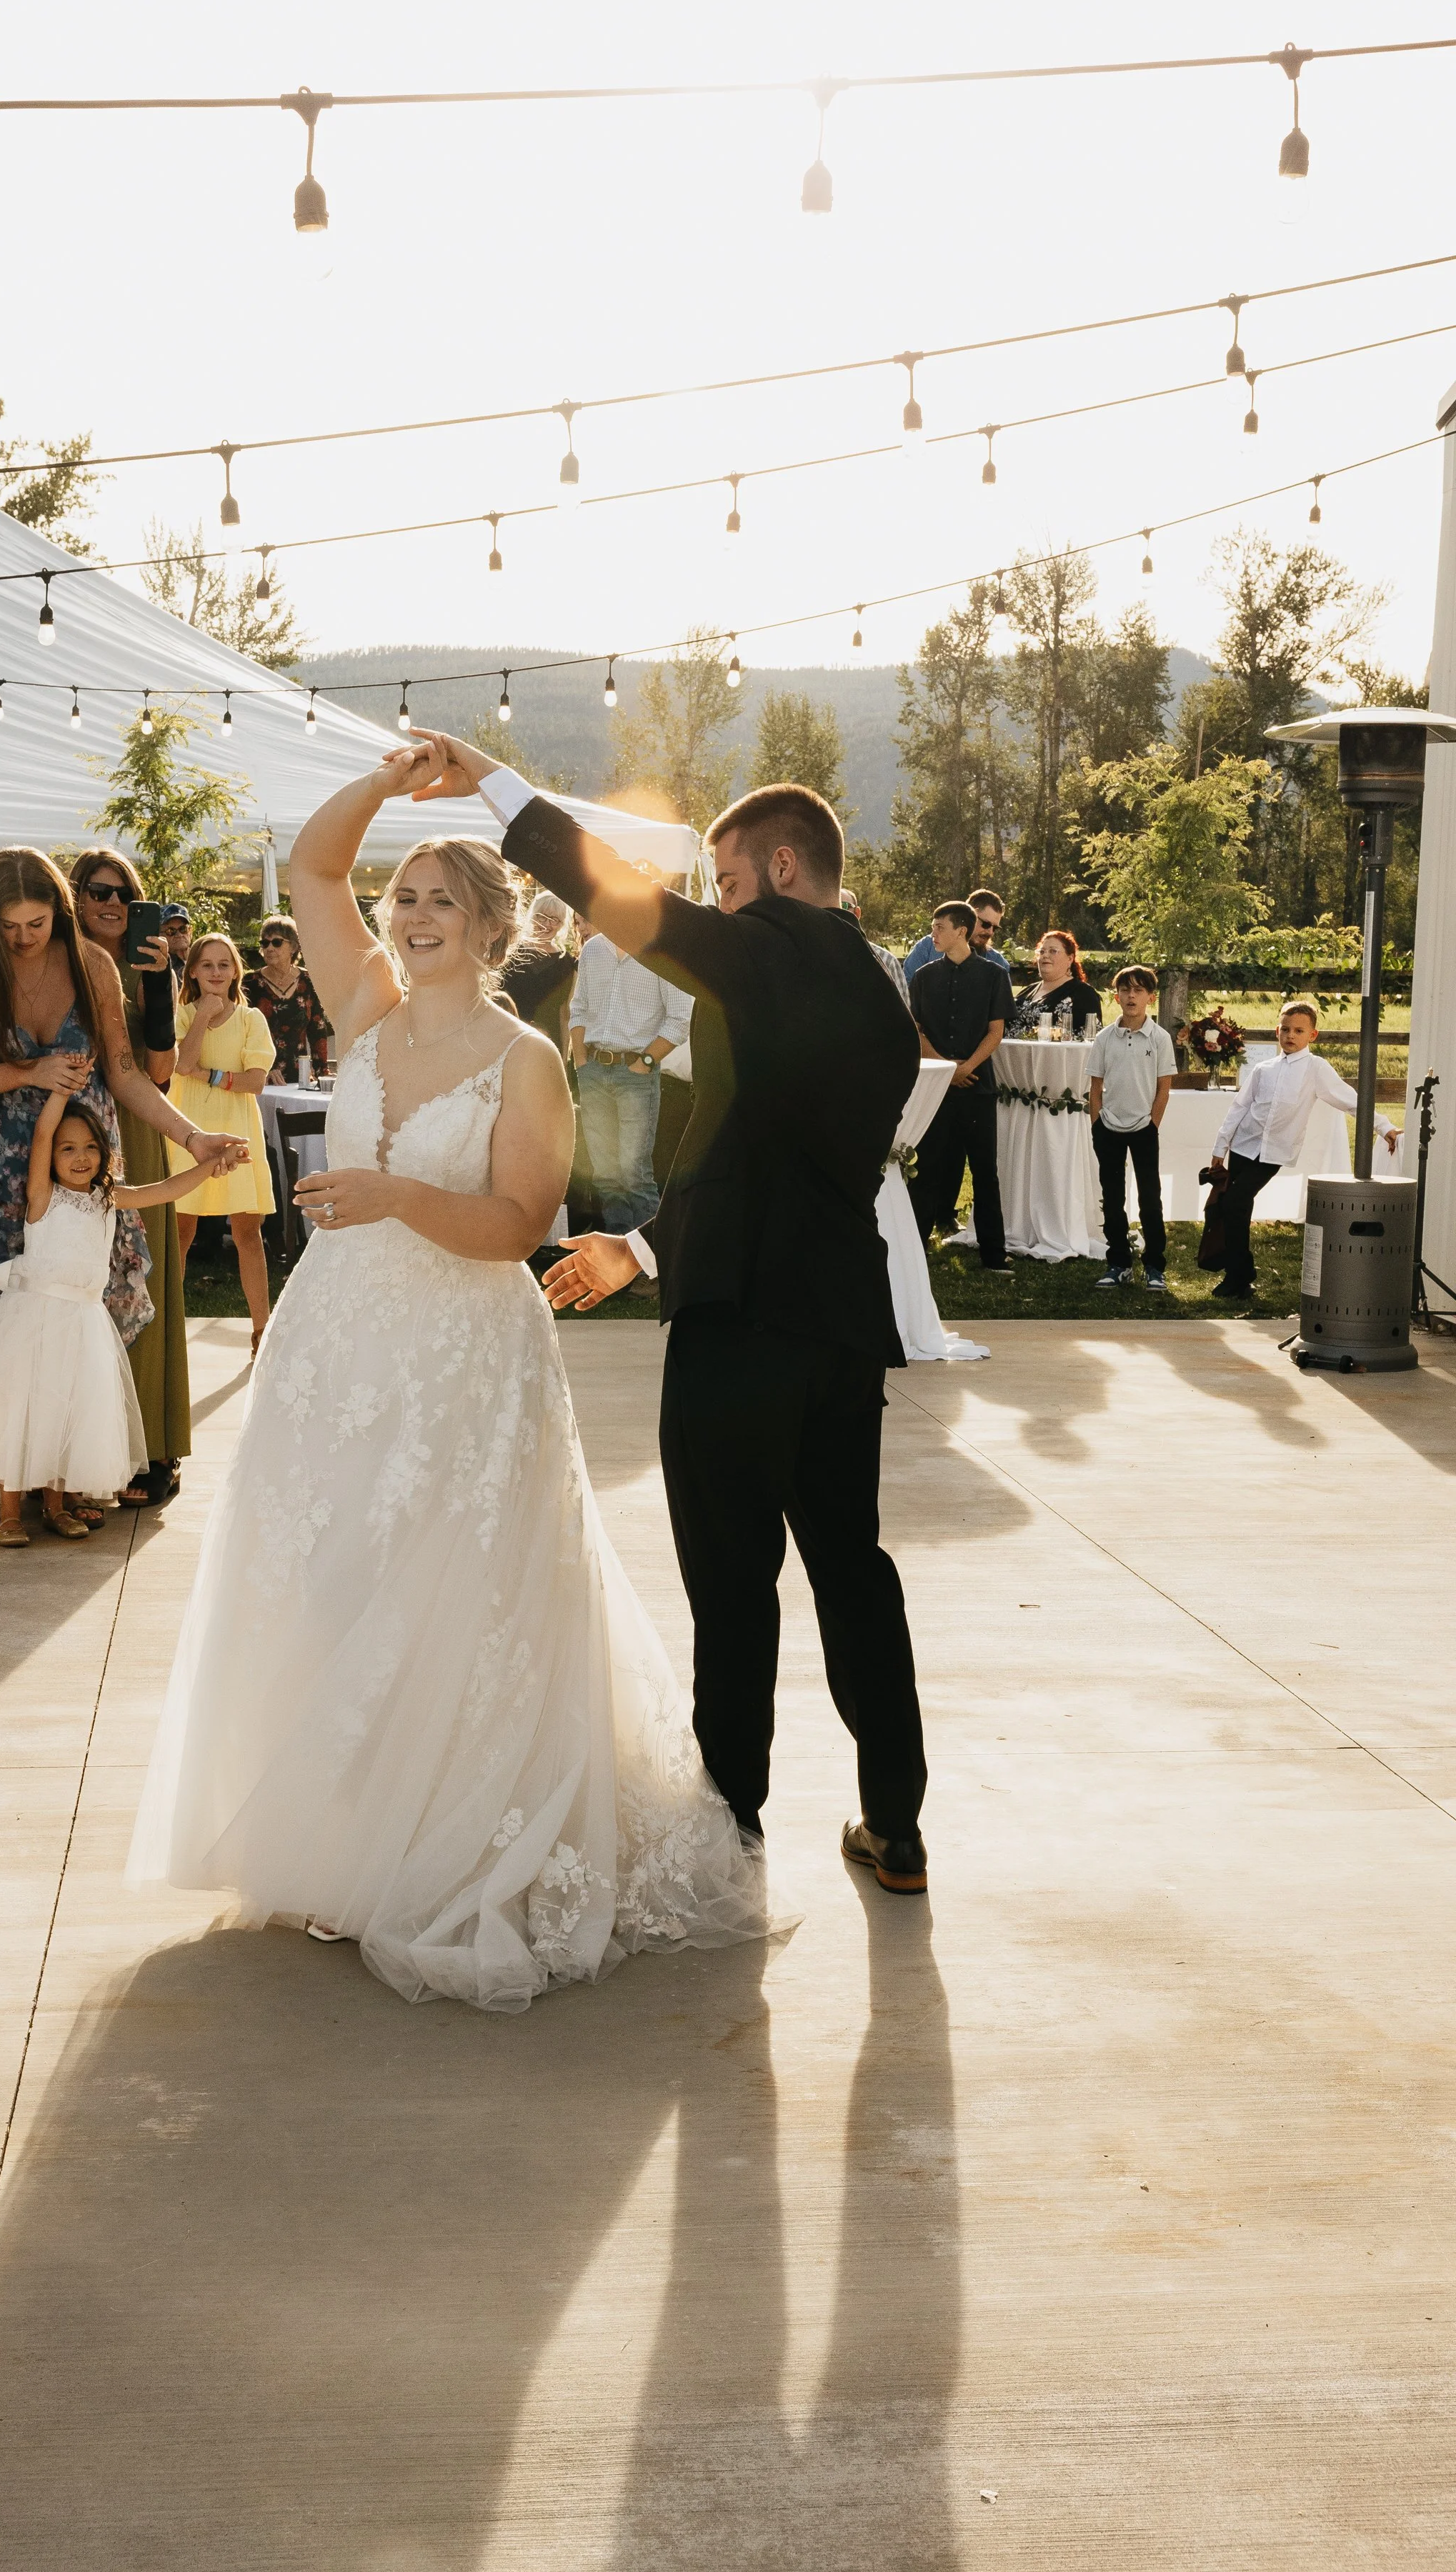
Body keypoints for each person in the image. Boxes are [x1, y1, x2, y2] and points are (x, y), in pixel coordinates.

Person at [126, 744, 769, 2011]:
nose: (410, 917)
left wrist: (397, 1195)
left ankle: (448, 1841)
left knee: (449, 1593)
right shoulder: (362, 1007)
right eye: (402, 898)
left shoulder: (523, 1058)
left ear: (488, 927)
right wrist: (386, 786)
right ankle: (340, 1840)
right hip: (337, 1344)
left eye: (437, 902)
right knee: (332, 1578)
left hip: (461, 1353)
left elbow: (521, 1223)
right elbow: (313, 861)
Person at [414, 734, 931, 1900]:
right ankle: (895, 1824)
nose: (719, 904)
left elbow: (618, 896)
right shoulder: (887, 1010)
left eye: (732, 881)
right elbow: (769, 1155)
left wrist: (499, 781)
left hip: (739, 1323)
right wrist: (642, 1246)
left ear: (786, 866)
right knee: (856, 1574)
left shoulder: (765, 956)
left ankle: (733, 1831)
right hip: (843, 1324)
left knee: (734, 1582)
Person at [0, 849, 235, 1538]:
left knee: (77, 1314)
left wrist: (195, 1139)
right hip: (5, 1172)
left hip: (86, 1166)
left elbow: (124, 1073)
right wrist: (27, 1070)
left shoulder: (91, 962)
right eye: (10, 926)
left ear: (58, 913)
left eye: (37, 923)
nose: (24, 938)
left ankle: (54, 1479)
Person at [0, 1090, 241, 1550]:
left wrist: (208, 1167)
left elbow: (165, 1191)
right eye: (68, 1148)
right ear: (53, 1157)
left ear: (105, 1152)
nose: (80, 1158)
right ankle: (12, 1511)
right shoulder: (43, 1197)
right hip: (37, 1320)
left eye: (90, 1147)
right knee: (28, 1412)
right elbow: (40, 1135)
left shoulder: (107, 1198)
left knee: (67, 1411)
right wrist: (60, 1093)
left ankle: (58, 1506)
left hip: (84, 1323)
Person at [68, 846, 191, 1510]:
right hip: (68, 1129)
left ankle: (152, 1446)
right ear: (77, 898)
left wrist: (159, 987)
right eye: (98, 891)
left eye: (124, 893)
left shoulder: (151, 969)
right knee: (75, 1281)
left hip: (138, 1130)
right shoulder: (59, 961)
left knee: (142, 1276)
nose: (113, 903)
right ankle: (71, 1451)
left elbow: (162, 1070)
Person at [1208, 1000, 1400, 1300]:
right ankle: (1237, 1278)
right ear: (1277, 1031)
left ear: (1312, 1035)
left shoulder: (1316, 1069)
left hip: (1273, 1153)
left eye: (1299, 1030)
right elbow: (1239, 1108)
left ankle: (1242, 1273)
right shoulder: (1263, 1068)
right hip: (1244, 1146)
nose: (1290, 1035)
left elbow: (1351, 1101)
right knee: (1237, 1208)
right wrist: (1220, 1148)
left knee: (1234, 1203)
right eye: (1285, 1029)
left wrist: (1383, 1126)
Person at [166, 933, 278, 1357]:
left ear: (236, 972)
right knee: (181, 1228)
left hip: (238, 1130)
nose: (216, 973)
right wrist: (201, 1018)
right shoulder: (180, 1014)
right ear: (192, 970)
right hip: (187, 1130)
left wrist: (210, 1075)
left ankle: (261, 1329)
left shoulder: (252, 1020)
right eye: (207, 965)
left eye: (224, 965)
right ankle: (167, 1327)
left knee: (248, 1229)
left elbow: (256, 1081)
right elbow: (180, 1063)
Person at [568, 912, 692, 1232]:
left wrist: (645, 1064)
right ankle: (616, 1259)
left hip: (635, 1075)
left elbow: (680, 1018)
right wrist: (582, 1062)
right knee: (605, 1174)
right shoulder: (593, 949)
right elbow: (578, 1008)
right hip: (593, 1070)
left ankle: (650, 1262)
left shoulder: (661, 953)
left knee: (635, 1174)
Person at [908, 902, 1010, 1271]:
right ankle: (915, 1250)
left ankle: (994, 1256)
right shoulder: (922, 977)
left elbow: (996, 1031)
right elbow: (916, 1031)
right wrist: (947, 1068)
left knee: (985, 1171)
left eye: (939, 927)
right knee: (925, 1168)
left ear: (961, 931)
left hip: (978, 1087)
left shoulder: (994, 976)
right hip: (936, 1088)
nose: (932, 933)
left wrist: (967, 1067)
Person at [1087, 966, 1177, 1291]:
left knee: (1149, 1198)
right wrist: (1097, 1123)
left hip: (1143, 1128)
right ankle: (1118, 1263)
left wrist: (1152, 1124)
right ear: (1116, 997)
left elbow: (1163, 1088)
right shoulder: (1104, 1038)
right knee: (1112, 1198)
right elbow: (1095, 1087)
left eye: (1139, 991)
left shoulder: (1160, 1038)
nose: (1131, 996)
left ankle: (1154, 1266)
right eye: (1125, 990)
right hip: (1108, 1127)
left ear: (1150, 998)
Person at [241, 913, 331, 1084]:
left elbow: (318, 1030)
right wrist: (259, 1069)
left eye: (277, 942)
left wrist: (323, 1074)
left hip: (301, 1078)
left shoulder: (309, 981)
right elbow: (242, 1034)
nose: (269, 948)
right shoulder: (250, 983)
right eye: (265, 943)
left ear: (294, 947)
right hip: (263, 1078)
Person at [499, 889, 579, 1051]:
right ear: (532, 917)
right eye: (541, 916)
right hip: (509, 1040)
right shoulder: (511, 954)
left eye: (554, 920)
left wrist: (563, 1057)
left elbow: (565, 1015)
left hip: (549, 1045)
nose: (547, 924)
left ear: (561, 925)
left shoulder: (568, 964)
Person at [904, 886, 1011, 988]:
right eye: (986, 925)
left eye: (995, 928)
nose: (990, 932)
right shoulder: (927, 948)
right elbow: (906, 993)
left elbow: (1003, 1005)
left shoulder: (998, 964)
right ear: (969, 917)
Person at [1009, 929, 1102, 1037]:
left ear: (1070, 959)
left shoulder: (1084, 994)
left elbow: (1090, 1039)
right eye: (1042, 951)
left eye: (1053, 951)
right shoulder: (1028, 990)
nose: (1045, 956)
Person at [161, 904, 191, 985]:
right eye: (171, 931)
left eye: (183, 929)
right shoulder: (159, 966)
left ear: (190, 932)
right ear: (159, 935)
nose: (179, 935)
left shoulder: (201, 957)